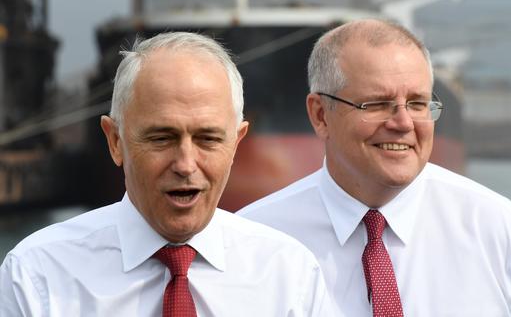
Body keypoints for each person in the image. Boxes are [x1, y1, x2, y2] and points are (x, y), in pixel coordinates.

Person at [238, 19, 511, 316]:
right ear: (320, 115)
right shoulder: (252, 243)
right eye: (378, 104)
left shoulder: (500, 232)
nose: (402, 123)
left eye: (417, 104)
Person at [0, 32, 331, 316]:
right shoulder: (37, 276)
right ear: (115, 141)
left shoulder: (290, 275)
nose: (186, 164)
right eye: (161, 138)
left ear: (236, 144)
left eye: (208, 139)